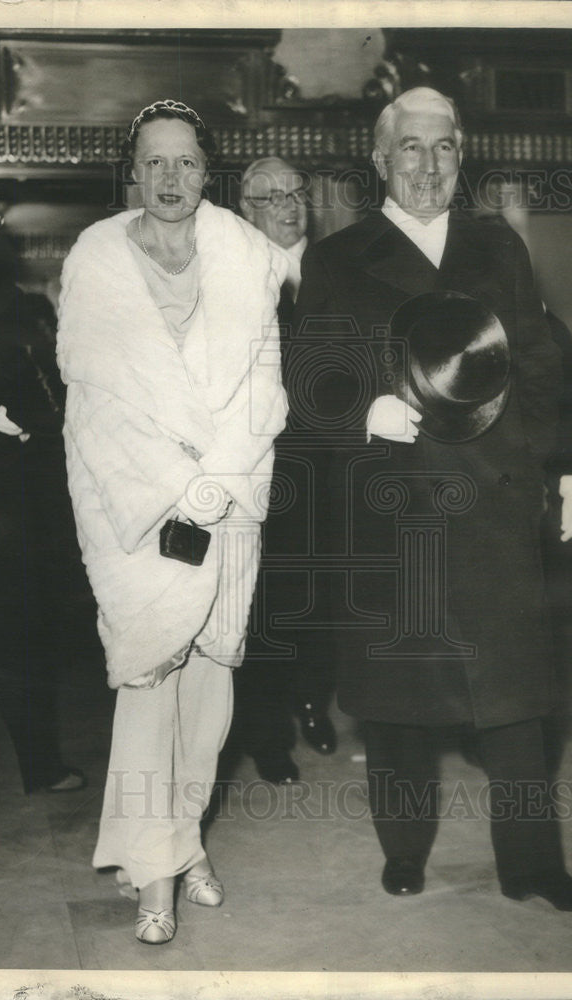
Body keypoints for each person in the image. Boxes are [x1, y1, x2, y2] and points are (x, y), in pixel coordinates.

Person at [292, 87, 572, 910]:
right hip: (391, 513)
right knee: (395, 710)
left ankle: (535, 868)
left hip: (495, 508)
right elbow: (305, 380)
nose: (427, 166)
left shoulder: (496, 245)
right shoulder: (335, 258)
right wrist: (362, 409)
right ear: (379, 160)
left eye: (442, 149)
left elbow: (543, 359)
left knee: (517, 706)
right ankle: (403, 853)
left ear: (460, 156)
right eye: (410, 149)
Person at [56, 100, 287, 945]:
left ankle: (183, 843)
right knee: (151, 686)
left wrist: (217, 484)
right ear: (132, 169)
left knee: (208, 690)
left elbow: (262, 387)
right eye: (154, 163)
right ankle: (158, 875)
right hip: (135, 507)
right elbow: (94, 407)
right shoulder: (95, 260)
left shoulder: (242, 252)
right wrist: (172, 489)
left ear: (207, 169)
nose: (171, 180)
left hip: (225, 500)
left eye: (187, 163)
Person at [0, 176, 86, 795]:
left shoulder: (7, 301)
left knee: (18, 636)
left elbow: (43, 404)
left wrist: (12, 426)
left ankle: (41, 763)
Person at [233, 157, 337, 784]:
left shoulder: (342, 269)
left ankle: (312, 702)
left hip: (330, 467)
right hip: (259, 468)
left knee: (325, 596)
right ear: (246, 210)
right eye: (269, 198)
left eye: (297, 193)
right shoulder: (230, 277)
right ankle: (267, 734)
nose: (288, 205)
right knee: (264, 604)